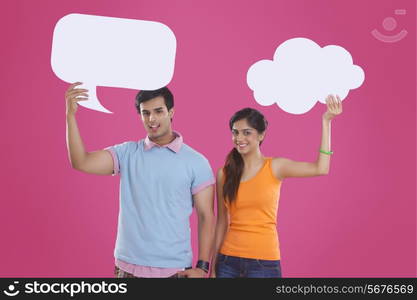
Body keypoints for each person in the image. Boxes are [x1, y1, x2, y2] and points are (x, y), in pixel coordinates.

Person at [65, 82, 215, 278]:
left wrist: (203, 267)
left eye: (158, 111)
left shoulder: (197, 162)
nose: (151, 119)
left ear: (171, 112)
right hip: (128, 270)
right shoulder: (127, 153)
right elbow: (81, 162)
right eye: (145, 113)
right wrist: (70, 116)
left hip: (175, 272)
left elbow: (206, 216)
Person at [211, 95, 343, 278]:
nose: (239, 138)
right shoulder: (223, 174)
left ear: (261, 135)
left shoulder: (275, 167)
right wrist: (212, 267)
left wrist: (326, 121)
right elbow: (221, 223)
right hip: (227, 262)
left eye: (246, 132)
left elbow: (321, 168)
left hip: (263, 263)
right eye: (235, 132)